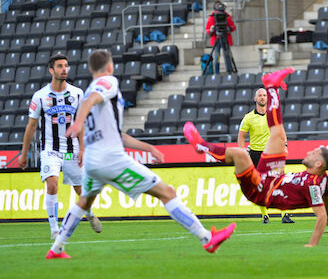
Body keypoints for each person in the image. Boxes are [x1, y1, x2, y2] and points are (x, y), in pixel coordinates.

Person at [46, 50, 235, 259]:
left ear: (90, 69)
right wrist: (79, 121)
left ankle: (57, 248)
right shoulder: (108, 82)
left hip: (93, 161)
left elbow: (118, 134)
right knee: (167, 192)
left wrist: (149, 148)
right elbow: (92, 99)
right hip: (111, 159)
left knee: (84, 202)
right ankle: (207, 239)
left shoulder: (89, 91)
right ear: (109, 67)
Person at [184, 68, 328, 247]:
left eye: (314, 153)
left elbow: (320, 214)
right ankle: (272, 87)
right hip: (274, 175)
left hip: (260, 190)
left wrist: (312, 243)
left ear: (318, 163)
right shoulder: (322, 179)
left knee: (240, 154)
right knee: (278, 133)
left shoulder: (312, 185)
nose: (310, 152)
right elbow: (327, 196)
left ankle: (201, 145)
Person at [19, 54, 102, 239]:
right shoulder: (40, 96)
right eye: (60, 66)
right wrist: (24, 154)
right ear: (51, 70)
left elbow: (80, 122)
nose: (64, 69)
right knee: (52, 185)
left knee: (82, 191)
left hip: (72, 150)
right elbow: (31, 126)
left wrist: (82, 149)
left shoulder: (77, 93)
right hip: (51, 150)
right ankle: (54, 229)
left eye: (66, 66)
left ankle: (88, 213)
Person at [238, 88, 294, 224]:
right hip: (256, 154)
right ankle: (265, 216)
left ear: (267, 99)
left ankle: (285, 214)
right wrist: (242, 152)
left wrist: (285, 144)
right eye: (260, 96)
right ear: (255, 99)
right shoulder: (248, 118)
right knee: (259, 186)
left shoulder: (272, 115)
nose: (262, 97)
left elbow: (281, 131)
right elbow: (241, 136)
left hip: (273, 152)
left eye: (264, 95)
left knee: (281, 183)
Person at [205, 1, 236, 74]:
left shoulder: (227, 16)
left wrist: (229, 29)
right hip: (216, 38)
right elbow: (207, 29)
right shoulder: (212, 16)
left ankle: (229, 71)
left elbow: (233, 26)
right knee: (217, 56)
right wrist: (211, 30)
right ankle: (217, 72)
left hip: (226, 37)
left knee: (227, 54)